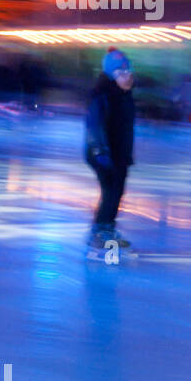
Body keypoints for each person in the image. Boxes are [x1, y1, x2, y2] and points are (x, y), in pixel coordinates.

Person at [84, 48, 137, 258]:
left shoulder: (124, 95)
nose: (127, 76)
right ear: (111, 75)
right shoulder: (102, 95)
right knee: (111, 192)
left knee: (117, 192)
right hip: (104, 153)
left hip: (120, 153)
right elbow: (94, 126)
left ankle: (107, 229)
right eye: (121, 73)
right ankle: (99, 234)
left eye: (128, 72)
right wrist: (99, 151)